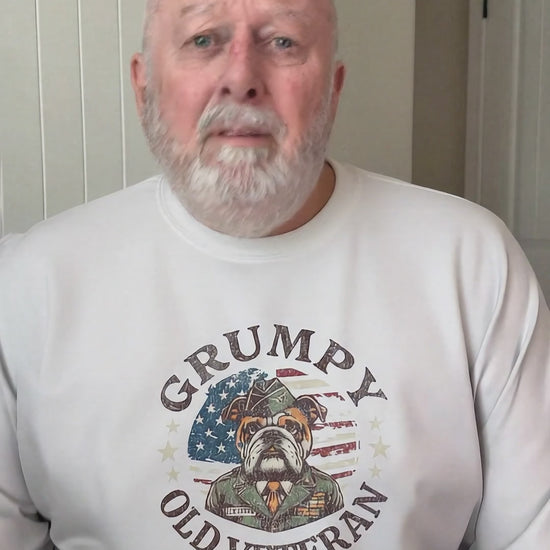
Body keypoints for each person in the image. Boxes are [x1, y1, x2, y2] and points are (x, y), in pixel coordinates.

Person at [0, 0, 548, 548]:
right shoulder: (32, 283)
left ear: (332, 89)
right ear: (144, 85)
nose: (241, 78)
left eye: (283, 41)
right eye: (203, 39)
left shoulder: (472, 263)